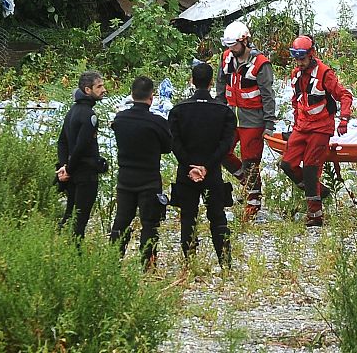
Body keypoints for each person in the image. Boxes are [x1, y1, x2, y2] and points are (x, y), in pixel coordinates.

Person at [279, 35, 353, 227]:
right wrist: (296, 124)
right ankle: (319, 190)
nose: (299, 62)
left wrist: (343, 120)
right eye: (296, 58)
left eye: (302, 58)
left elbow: (344, 95)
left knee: (311, 167)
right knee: (287, 164)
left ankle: (315, 215)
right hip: (302, 126)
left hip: (321, 128)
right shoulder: (296, 74)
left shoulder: (324, 73)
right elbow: (297, 101)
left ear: (311, 54)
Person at [169, 63, 237, 268]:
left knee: (188, 217)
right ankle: (225, 263)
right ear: (210, 84)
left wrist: (191, 166)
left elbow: (174, 142)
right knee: (217, 217)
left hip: (186, 173)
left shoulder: (178, 111)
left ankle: (190, 262)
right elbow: (226, 145)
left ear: (191, 81)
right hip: (212, 172)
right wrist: (206, 166)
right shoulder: (224, 111)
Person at [215, 21, 277, 220]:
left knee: (251, 160)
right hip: (231, 117)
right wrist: (218, 109)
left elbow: (268, 95)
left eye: (233, 45)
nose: (230, 49)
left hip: (253, 120)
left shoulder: (261, 64)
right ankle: (248, 182)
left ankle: (254, 199)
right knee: (222, 152)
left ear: (244, 41)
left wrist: (269, 124)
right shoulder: (226, 59)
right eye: (228, 46)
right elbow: (220, 85)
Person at [109, 76, 172, 269]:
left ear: (132, 94)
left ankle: (112, 260)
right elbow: (168, 147)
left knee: (121, 221)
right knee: (149, 224)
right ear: (151, 97)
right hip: (149, 179)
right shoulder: (157, 122)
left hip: (125, 178)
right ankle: (147, 264)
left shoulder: (120, 119)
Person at [56, 71, 107, 239]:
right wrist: (68, 169)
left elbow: (62, 142)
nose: (103, 90)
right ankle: (76, 256)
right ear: (87, 90)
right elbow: (81, 146)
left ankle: (60, 246)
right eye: (99, 86)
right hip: (85, 174)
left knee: (70, 215)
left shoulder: (72, 111)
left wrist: (64, 166)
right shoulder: (89, 115)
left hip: (73, 172)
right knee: (80, 220)